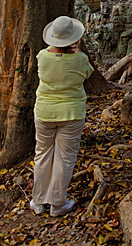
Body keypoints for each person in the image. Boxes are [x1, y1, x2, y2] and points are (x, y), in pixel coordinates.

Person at [30, 16, 94, 217]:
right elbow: (87, 73)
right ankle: (58, 203)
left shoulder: (42, 56)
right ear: (73, 38)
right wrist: (77, 50)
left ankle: (38, 201)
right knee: (65, 158)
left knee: (42, 154)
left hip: (44, 112)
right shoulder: (80, 59)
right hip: (72, 113)